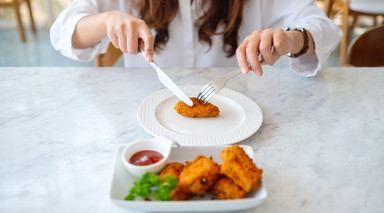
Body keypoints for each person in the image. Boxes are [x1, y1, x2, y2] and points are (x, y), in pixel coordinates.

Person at [50, 0, 342, 77]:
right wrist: (106, 20)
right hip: (149, 119)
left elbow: (322, 26)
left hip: (239, 117)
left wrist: (293, 40)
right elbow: (63, 33)